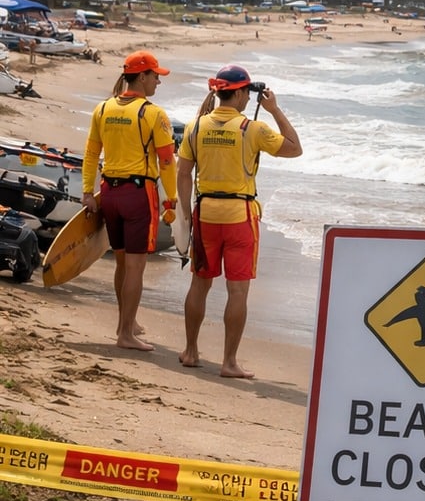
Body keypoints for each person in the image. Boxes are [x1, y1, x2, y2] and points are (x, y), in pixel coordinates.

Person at [177, 65, 302, 378]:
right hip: (239, 216)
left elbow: (183, 173)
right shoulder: (252, 129)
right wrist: (274, 110)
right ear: (243, 93)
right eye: (248, 92)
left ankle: (191, 351)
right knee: (237, 292)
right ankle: (229, 362)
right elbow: (294, 148)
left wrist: (186, 213)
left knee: (199, 284)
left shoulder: (196, 126)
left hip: (205, 212)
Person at [82, 50, 180, 351]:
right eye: (155, 76)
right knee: (136, 266)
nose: (157, 83)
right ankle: (125, 333)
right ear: (141, 76)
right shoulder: (153, 114)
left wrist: (88, 192)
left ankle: (128, 321)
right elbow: (166, 162)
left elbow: (90, 153)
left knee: (122, 262)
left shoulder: (103, 108)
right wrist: (172, 199)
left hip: (109, 194)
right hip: (138, 196)